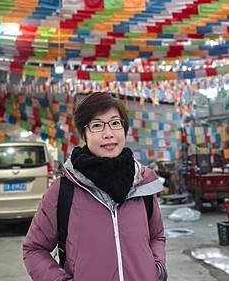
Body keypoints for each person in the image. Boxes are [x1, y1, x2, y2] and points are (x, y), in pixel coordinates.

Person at [23, 92, 167, 281]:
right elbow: (34, 249)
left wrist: (156, 269)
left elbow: (157, 235)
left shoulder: (142, 183)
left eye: (115, 123)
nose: (109, 134)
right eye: (97, 125)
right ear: (84, 134)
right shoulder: (63, 190)